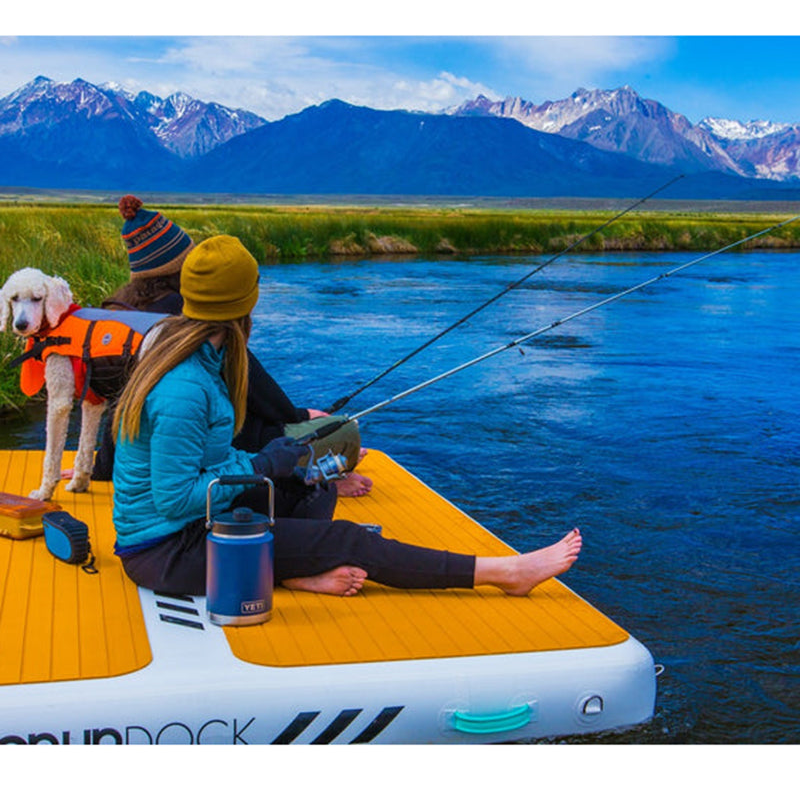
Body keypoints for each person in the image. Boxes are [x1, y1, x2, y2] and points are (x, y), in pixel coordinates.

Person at [111, 234, 582, 598]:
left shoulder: (200, 355)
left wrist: (279, 464)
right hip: (166, 550)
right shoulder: (185, 387)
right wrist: (261, 465)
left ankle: (291, 572)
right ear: (245, 303)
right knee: (347, 541)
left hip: (195, 527)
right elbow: (175, 501)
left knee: (311, 489)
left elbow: (206, 460)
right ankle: (506, 574)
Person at [94, 195, 371, 497]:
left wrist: (102, 468)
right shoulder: (193, 318)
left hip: (157, 455)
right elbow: (260, 392)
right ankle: (321, 479)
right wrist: (303, 416)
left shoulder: (123, 316)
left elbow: (118, 403)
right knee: (343, 432)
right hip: (222, 448)